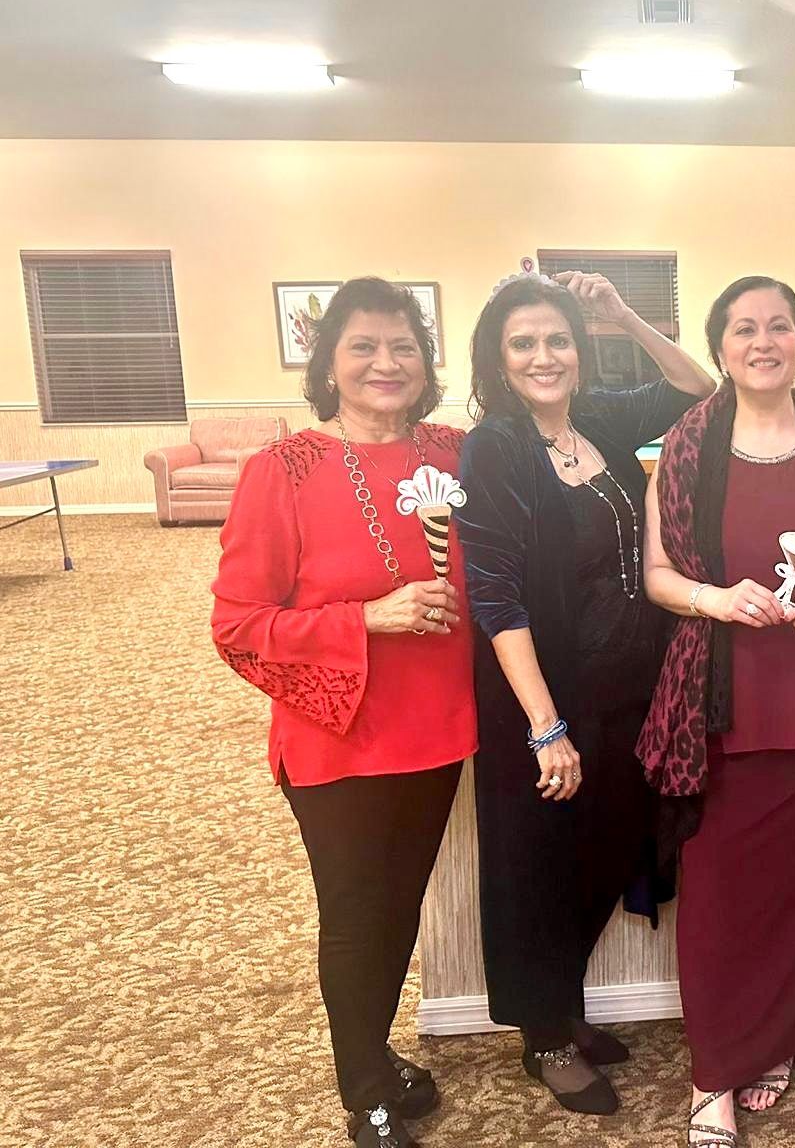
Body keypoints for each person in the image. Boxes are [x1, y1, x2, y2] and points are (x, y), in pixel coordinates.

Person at [211, 278, 473, 1148]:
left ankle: (374, 1052)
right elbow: (240, 626)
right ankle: (364, 1087)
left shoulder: (455, 452)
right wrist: (370, 615)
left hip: (437, 726)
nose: (385, 362)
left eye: (402, 345)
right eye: (362, 346)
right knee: (357, 914)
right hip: (340, 735)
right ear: (328, 364)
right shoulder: (282, 471)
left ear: (424, 361)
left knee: (400, 908)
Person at [637, 275, 795, 1148]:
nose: (763, 340)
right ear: (719, 346)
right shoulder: (687, 442)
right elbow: (658, 575)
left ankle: (776, 1037)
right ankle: (716, 1070)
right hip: (721, 703)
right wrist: (715, 601)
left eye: (779, 326)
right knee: (716, 893)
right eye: (744, 327)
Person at [455, 268, 717, 1115]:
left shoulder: (598, 419)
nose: (544, 356)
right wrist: (544, 726)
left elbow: (699, 389)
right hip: (545, 700)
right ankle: (546, 1037)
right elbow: (493, 593)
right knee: (538, 869)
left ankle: (560, 1007)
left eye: (557, 339)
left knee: (607, 850)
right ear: (498, 359)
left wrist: (623, 316)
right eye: (523, 343)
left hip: (629, 691)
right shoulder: (495, 446)